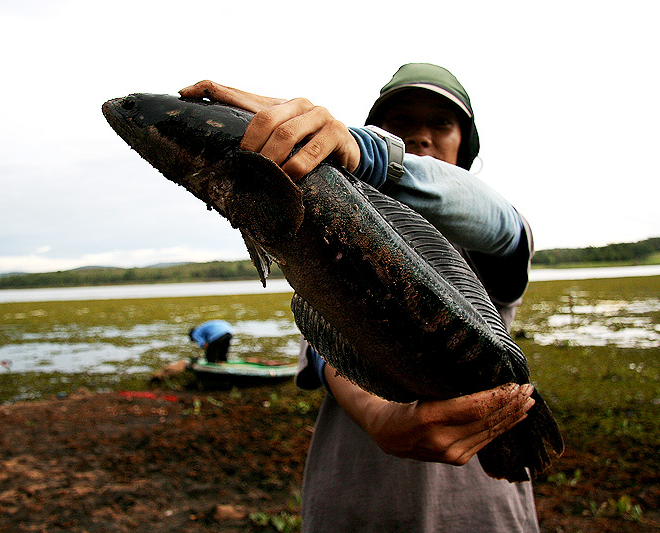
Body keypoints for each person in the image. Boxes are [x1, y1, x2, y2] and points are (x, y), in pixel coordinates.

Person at [180, 63, 538, 531]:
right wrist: (382, 416)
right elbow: (329, 353)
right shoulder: (324, 229)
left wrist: (374, 154)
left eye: (442, 124)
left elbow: (500, 221)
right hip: (352, 507)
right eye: (402, 124)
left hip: (481, 514)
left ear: (466, 147)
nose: (422, 136)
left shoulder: (487, 244)